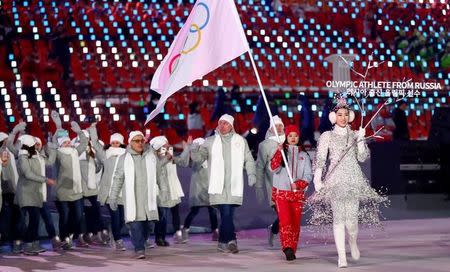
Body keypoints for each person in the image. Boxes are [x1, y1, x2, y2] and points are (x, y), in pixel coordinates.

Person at [309, 99, 388, 268]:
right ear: (333, 117)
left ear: (350, 116)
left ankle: (352, 242)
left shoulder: (354, 135)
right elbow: (320, 159)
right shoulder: (327, 136)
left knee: (351, 221)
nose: (343, 118)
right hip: (335, 179)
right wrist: (317, 178)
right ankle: (341, 256)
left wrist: (360, 141)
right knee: (338, 219)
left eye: (345, 115)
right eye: (339, 115)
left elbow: (362, 158)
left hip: (353, 179)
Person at [191, 114, 256, 254]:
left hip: (234, 184)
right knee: (226, 212)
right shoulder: (210, 141)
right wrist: (193, 148)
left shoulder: (240, 141)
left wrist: (251, 174)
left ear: (231, 125)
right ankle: (232, 240)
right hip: (217, 186)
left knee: (228, 215)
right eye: (220, 123)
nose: (222, 125)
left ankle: (221, 242)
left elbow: (249, 159)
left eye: (225, 123)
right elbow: (198, 159)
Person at [109, 131, 159, 259]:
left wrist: (164, 191)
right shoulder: (123, 159)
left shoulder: (151, 156)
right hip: (133, 200)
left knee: (148, 226)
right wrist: (113, 197)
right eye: (136, 141)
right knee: (136, 224)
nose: (140, 143)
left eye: (141, 141)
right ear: (130, 142)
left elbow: (159, 175)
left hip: (149, 199)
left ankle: (140, 241)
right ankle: (139, 249)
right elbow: (118, 179)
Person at [269, 125, 312, 261]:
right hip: (282, 193)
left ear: (298, 137)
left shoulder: (304, 155)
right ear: (286, 137)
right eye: (290, 136)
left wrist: (299, 184)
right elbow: (273, 168)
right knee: (285, 221)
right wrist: (278, 152)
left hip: (297, 194)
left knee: (295, 223)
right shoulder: (281, 152)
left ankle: (292, 247)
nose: (293, 138)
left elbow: (308, 175)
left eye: (295, 136)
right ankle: (287, 247)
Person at [15, 135, 56, 255]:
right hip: (26, 193)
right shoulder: (23, 157)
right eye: (33, 143)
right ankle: (27, 244)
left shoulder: (37, 156)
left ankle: (32, 243)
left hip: (36, 193)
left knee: (35, 220)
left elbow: (50, 162)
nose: (36, 145)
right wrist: (45, 179)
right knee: (30, 219)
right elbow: (27, 174)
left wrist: (52, 147)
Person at [88, 124, 127, 251]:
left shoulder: (127, 155)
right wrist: (93, 130)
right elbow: (96, 144)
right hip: (110, 193)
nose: (115, 144)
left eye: (118, 142)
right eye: (113, 142)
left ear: (121, 143)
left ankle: (113, 232)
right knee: (115, 217)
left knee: (121, 220)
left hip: (122, 192)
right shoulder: (106, 155)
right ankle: (118, 240)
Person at [150, 135, 189, 246]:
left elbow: (183, 162)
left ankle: (162, 237)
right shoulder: (154, 158)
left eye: (167, 145)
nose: (167, 147)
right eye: (164, 146)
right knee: (162, 216)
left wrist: (187, 148)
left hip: (171, 189)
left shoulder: (169, 156)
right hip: (160, 191)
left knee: (165, 215)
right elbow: (158, 167)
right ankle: (159, 238)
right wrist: (167, 157)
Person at [181, 137, 219, 243]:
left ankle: (215, 231)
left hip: (208, 188)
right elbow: (189, 160)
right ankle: (185, 230)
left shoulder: (210, 158)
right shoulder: (195, 160)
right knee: (195, 210)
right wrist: (189, 147)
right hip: (198, 189)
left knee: (212, 210)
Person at [255, 115, 285, 247]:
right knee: (283, 214)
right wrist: (259, 186)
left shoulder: (290, 140)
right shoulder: (264, 145)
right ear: (270, 129)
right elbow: (260, 166)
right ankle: (282, 238)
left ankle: (274, 229)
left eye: (280, 126)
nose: (278, 128)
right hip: (274, 186)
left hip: (290, 185)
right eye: (275, 126)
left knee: (286, 215)